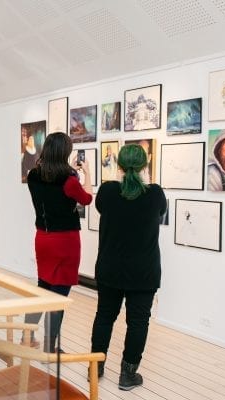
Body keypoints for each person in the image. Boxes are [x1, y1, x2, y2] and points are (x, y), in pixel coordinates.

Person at [89, 144, 167, 390]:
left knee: (104, 316)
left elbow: (102, 207)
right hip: (143, 272)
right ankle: (127, 374)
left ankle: (95, 368)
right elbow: (161, 211)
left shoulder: (107, 191)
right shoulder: (155, 194)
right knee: (138, 322)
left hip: (110, 268)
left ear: (119, 165)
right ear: (145, 165)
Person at [24, 132, 93, 352]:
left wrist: (70, 171)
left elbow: (52, 181)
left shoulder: (33, 175)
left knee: (43, 287)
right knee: (59, 295)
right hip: (65, 241)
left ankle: (26, 336)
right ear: (65, 152)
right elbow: (87, 198)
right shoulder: (69, 180)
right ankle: (49, 346)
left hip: (43, 238)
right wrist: (87, 173)